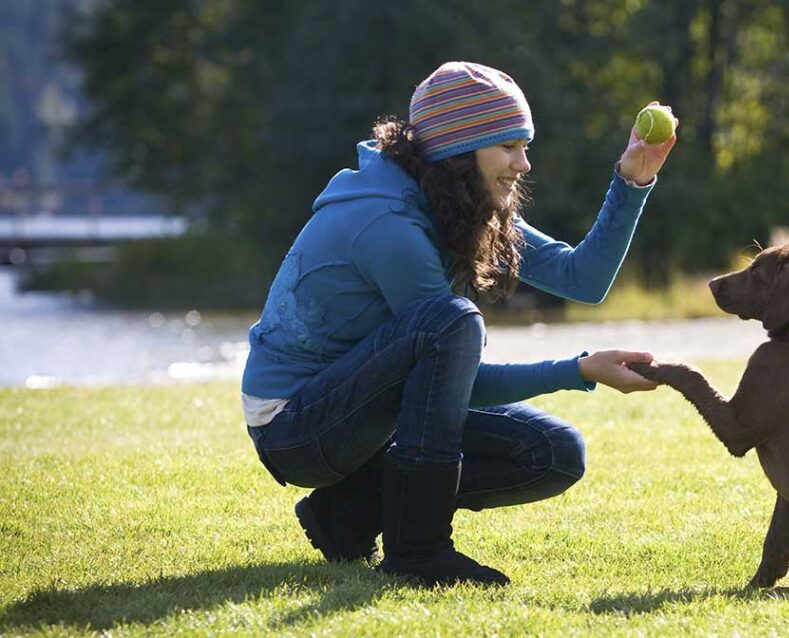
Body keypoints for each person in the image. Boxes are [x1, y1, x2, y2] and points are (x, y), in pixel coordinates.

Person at [241, 61, 676, 587]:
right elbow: (459, 374)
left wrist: (634, 179)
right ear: (459, 151)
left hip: (365, 415)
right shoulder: (389, 225)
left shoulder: (456, 201)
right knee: (451, 322)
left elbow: (580, 279)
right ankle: (418, 552)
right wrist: (578, 369)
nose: (524, 163)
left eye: (524, 144)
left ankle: (347, 514)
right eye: (509, 146)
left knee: (553, 453)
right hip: (296, 426)